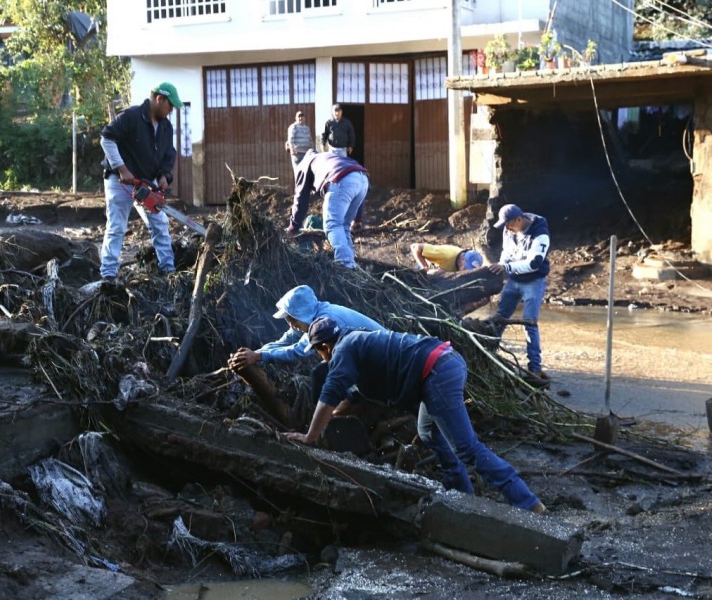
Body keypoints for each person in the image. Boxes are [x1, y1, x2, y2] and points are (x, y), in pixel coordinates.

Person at [285, 317, 546, 512]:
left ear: (325, 347)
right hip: (442, 366)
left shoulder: (343, 350)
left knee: (466, 448)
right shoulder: (356, 341)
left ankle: (528, 503)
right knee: (428, 432)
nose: (321, 358)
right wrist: (330, 419)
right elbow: (353, 397)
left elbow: (331, 392)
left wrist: (310, 436)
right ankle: (462, 495)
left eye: (318, 352)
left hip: (437, 373)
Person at [228, 285, 384, 404]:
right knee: (323, 373)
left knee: (324, 375)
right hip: (363, 357)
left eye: (292, 319)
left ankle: (333, 415)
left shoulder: (324, 320)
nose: (291, 325)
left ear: (301, 313)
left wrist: (259, 356)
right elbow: (284, 342)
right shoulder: (310, 316)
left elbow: (299, 350)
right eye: (288, 320)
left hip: (380, 358)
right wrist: (254, 354)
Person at [98, 82, 183, 281]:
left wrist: (163, 176)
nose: (171, 111)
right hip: (120, 182)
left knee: (160, 223)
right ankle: (108, 273)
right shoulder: (132, 116)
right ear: (159, 99)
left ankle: (168, 270)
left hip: (147, 182)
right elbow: (107, 139)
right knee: (117, 226)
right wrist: (122, 169)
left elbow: (168, 155)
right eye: (170, 106)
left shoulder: (166, 127)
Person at [488, 203, 551, 383]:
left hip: (533, 281)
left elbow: (533, 264)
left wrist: (505, 267)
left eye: (509, 224)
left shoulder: (540, 234)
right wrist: (501, 267)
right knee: (500, 317)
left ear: (519, 219)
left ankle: (534, 369)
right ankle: (489, 354)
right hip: (514, 280)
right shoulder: (509, 230)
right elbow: (506, 253)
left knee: (529, 322)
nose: (507, 228)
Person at [287, 150, 368, 269]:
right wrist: (357, 219)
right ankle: (351, 265)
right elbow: (352, 178)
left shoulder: (304, 164)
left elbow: (301, 199)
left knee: (332, 224)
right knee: (344, 226)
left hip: (341, 180)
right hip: (363, 180)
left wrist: (293, 228)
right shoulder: (328, 158)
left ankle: (345, 265)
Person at [411, 243, 485, 272]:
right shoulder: (445, 254)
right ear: (462, 259)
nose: (465, 272)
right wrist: (425, 268)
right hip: (428, 269)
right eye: (465, 268)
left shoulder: (461, 260)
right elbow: (416, 247)